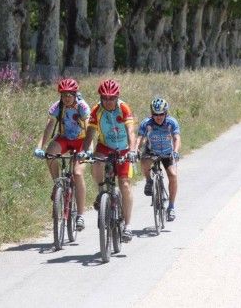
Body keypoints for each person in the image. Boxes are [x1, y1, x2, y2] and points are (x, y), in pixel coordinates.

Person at [78, 79, 137, 242]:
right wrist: (84, 151)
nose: (108, 101)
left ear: (117, 97)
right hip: (105, 146)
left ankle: (128, 226)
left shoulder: (123, 108)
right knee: (96, 162)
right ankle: (101, 191)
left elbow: (131, 131)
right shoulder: (97, 110)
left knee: (124, 183)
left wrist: (132, 151)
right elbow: (90, 131)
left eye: (112, 98)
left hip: (123, 148)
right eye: (105, 98)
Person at [34, 78, 91, 231]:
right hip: (64, 139)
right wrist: (39, 147)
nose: (66, 98)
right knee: (49, 155)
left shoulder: (82, 107)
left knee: (77, 173)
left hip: (81, 141)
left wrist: (88, 151)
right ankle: (57, 183)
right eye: (63, 95)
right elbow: (49, 128)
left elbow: (90, 131)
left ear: (75, 94)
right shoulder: (57, 106)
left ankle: (80, 215)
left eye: (69, 95)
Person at [136, 98, 181, 222]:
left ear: (165, 113)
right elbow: (139, 138)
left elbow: (177, 138)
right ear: (152, 114)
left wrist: (176, 152)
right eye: (155, 114)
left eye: (161, 114)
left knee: (172, 175)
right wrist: (135, 150)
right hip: (152, 151)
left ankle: (171, 207)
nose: (158, 117)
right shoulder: (147, 123)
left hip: (167, 153)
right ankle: (149, 181)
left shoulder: (171, 122)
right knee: (144, 162)